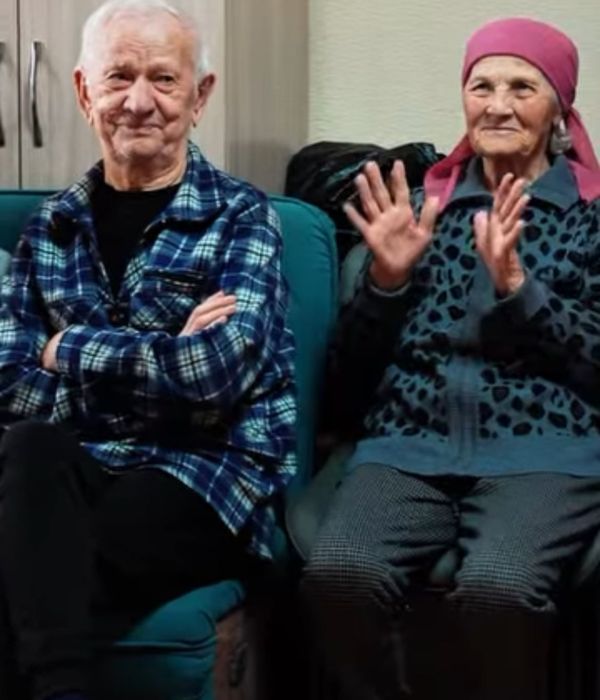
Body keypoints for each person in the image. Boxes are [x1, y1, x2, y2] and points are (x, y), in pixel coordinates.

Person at [0, 1, 296, 699]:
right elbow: (9, 386)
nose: (139, 102)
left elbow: (215, 375)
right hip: (76, 469)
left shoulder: (243, 217)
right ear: (84, 92)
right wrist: (162, 357)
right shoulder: (48, 228)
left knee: (27, 550)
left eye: (163, 79)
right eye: (118, 77)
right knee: (30, 449)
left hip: (203, 479)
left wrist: (67, 348)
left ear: (200, 96)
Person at [302, 16, 600, 700]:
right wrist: (386, 281)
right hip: (409, 445)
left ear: (559, 107)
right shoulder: (416, 213)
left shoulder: (591, 218)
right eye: (481, 86)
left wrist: (520, 290)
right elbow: (346, 383)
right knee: (339, 577)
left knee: (500, 588)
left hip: (545, 452)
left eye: (522, 87)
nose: (498, 105)